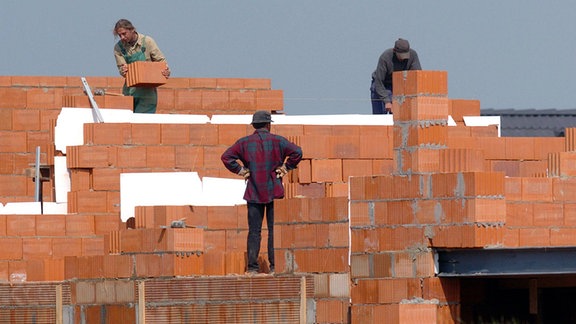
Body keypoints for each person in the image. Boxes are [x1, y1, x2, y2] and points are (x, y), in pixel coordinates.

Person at [221, 111, 302, 275]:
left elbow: (226, 157)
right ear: (268, 125)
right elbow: (297, 152)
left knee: (254, 231)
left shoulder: (244, 143)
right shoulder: (278, 141)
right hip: (274, 191)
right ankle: (274, 267)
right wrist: (286, 168)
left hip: (254, 192)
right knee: (273, 230)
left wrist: (241, 171)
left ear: (254, 125)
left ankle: (252, 268)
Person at [113, 19, 170, 114]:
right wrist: (124, 70)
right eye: (119, 35)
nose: (122, 37)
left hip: (147, 93)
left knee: (142, 122)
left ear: (132, 30)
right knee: (127, 122)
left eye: (124, 33)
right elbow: (121, 69)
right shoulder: (118, 48)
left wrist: (165, 71)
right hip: (130, 92)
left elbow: (161, 62)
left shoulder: (147, 42)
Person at [370, 38, 421, 114]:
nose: (403, 59)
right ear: (394, 51)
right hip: (382, 84)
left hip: (398, 85)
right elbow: (379, 82)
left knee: (397, 114)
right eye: (400, 56)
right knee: (379, 117)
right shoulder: (385, 57)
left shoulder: (413, 55)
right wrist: (387, 102)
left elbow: (416, 77)